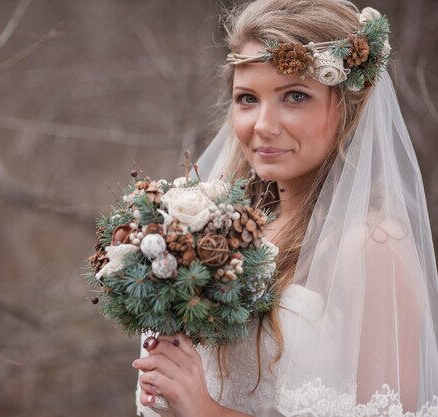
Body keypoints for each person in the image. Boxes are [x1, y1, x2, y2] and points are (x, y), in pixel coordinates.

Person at [132, 1, 438, 416]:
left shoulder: (372, 247)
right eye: (247, 98)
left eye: (295, 96)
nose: (263, 124)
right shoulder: (221, 231)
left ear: (349, 105)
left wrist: (204, 409)